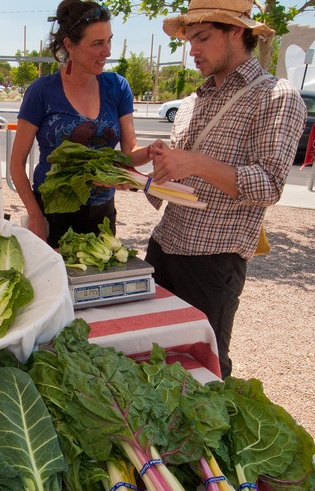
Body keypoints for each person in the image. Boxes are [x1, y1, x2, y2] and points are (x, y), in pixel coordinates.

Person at [144, 0, 307, 378]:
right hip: (164, 242)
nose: (192, 50)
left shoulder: (276, 96)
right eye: (189, 40)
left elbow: (268, 185)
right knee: (153, 354)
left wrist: (194, 162)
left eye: (202, 38)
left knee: (205, 365)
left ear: (237, 32)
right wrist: (149, 173)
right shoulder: (193, 101)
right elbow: (178, 177)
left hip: (213, 258)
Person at [9, 0, 152, 248]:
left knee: (98, 283)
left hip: (102, 215)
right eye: (97, 43)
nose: (107, 51)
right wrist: (35, 215)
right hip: (52, 212)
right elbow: (16, 164)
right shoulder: (41, 91)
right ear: (69, 45)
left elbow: (129, 154)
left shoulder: (118, 87)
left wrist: (152, 152)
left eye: (109, 40)